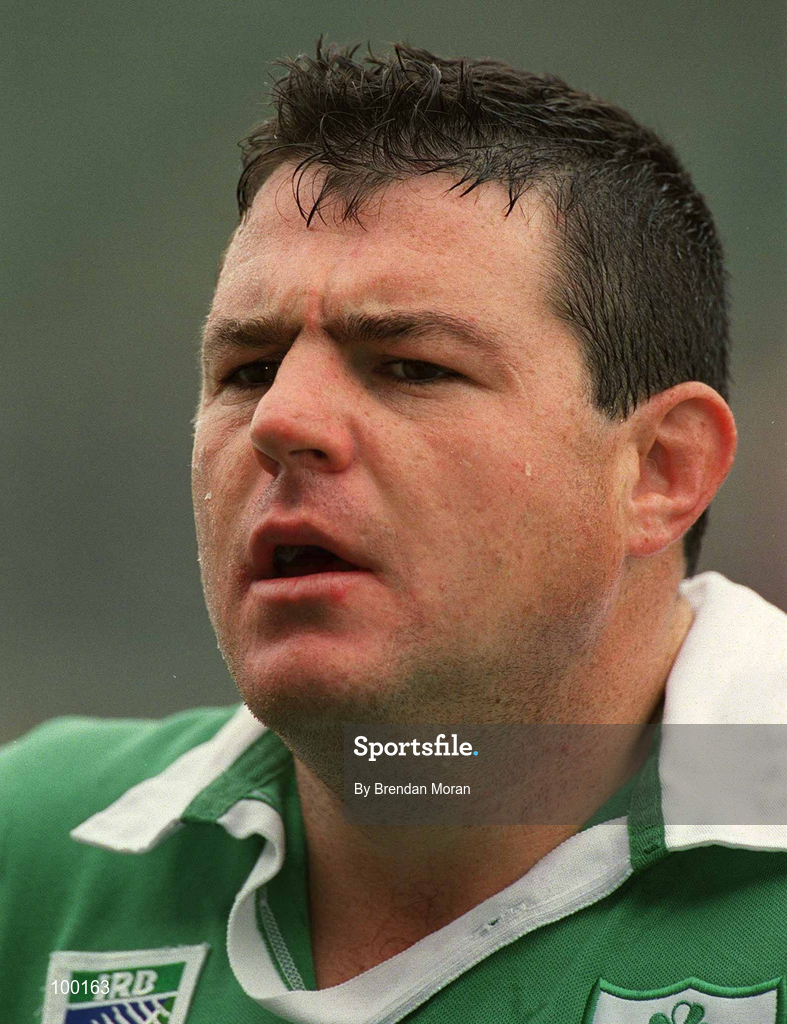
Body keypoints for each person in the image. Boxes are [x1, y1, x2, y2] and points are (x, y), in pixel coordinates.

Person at [3, 39, 787, 1024]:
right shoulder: (36, 852)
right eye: (247, 368)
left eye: (409, 364)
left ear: (660, 472)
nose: (281, 421)